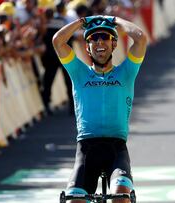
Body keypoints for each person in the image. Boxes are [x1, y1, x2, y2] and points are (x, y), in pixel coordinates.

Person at [53, 15, 147, 203]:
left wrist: (114, 19)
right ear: (87, 47)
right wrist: (83, 21)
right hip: (87, 149)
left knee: (120, 196)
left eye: (105, 37)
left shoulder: (126, 72)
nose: (99, 42)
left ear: (114, 45)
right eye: (93, 39)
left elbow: (140, 38)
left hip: (116, 148)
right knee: (74, 200)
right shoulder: (78, 72)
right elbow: (58, 41)